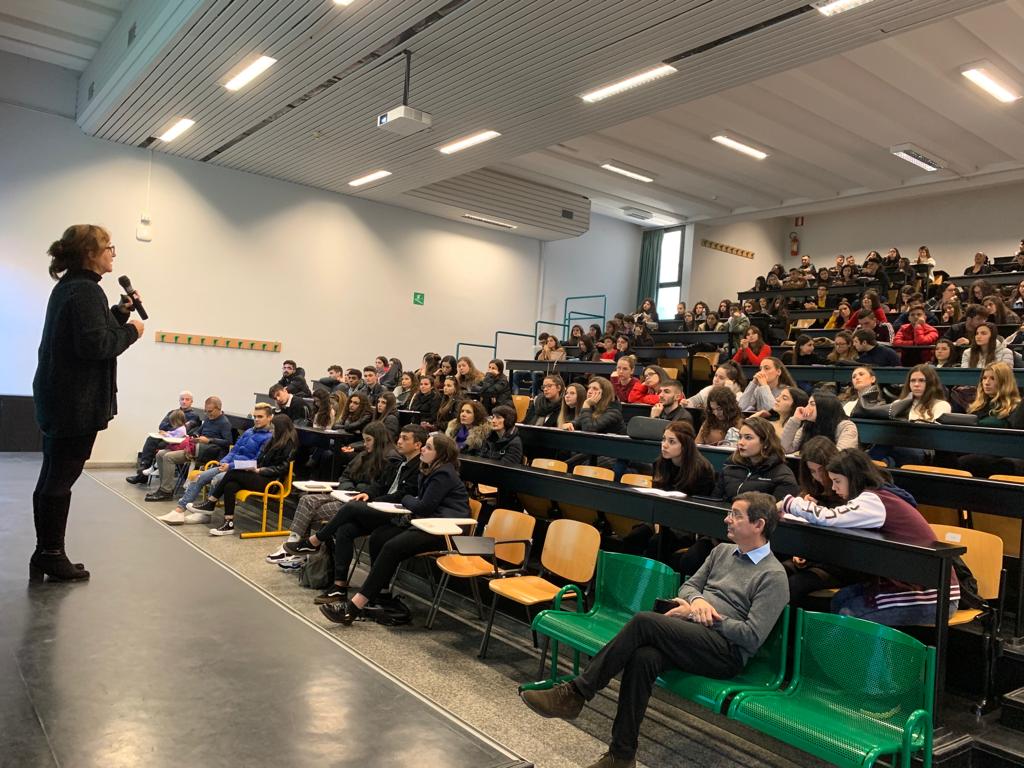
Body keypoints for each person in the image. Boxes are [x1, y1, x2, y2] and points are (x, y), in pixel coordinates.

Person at [520, 491, 788, 768]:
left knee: (644, 622)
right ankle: (621, 756)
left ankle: (577, 692)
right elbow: (688, 587)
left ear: (758, 524)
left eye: (736, 515)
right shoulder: (721, 552)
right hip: (692, 636)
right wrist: (696, 602)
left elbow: (752, 636)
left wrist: (704, 616)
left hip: (725, 652)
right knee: (643, 658)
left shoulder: (773, 576)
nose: (727, 519)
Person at [31, 224, 143, 580]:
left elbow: (89, 331)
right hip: (74, 403)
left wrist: (119, 313)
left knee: (52, 477)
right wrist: (131, 331)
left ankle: (45, 552)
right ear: (90, 253)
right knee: (59, 480)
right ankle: (51, 554)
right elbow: (96, 345)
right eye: (108, 247)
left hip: (60, 398)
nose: (113, 253)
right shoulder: (85, 291)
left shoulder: (72, 287)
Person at [779, 449, 959, 625]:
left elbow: (828, 517)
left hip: (936, 594)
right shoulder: (876, 496)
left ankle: (845, 646)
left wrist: (789, 503)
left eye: (837, 481)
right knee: (840, 599)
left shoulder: (873, 500)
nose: (833, 487)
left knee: (850, 612)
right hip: (908, 583)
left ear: (853, 478)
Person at [319, 432, 471, 625]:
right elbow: (421, 504)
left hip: (447, 531)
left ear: (440, 454)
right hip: (428, 523)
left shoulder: (443, 474)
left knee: (392, 547)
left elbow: (423, 506)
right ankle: (380, 593)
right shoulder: (430, 470)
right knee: (379, 536)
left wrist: (406, 498)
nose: (423, 449)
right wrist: (412, 501)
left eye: (429, 447)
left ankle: (353, 608)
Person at [277, 425, 427, 588]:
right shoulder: (396, 462)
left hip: (391, 512)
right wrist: (367, 493)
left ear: (417, 445)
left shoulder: (405, 463)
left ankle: (313, 542)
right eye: (399, 437)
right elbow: (377, 484)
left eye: (405, 438)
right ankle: (339, 586)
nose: (399, 441)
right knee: (342, 527)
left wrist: (370, 497)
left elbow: (401, 495)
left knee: (348, 508)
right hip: (365, 500)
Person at [159, 404, 274, 526]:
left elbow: (256, 461)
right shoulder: (249, 431)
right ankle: (179, 510)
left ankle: (205, 515)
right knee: (200, 477)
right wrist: (224, 461)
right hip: (229, 465)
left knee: (217, 479)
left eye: (260, 417)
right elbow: (234, 450)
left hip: (242, 471)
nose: (256, 419)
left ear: (269, 417)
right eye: (255, 417)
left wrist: (230, 466)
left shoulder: (269, 438)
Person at [618, 420, 716, 561]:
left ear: (685, 445)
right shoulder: (660, 463)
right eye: (663, 439)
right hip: (660, 520)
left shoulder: (701, 470)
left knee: (657, 543)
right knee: (634, 537)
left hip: (685, 527)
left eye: (672, 442)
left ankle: (652, 575)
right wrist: (658, 522)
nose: (664, 445)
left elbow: (700, 511)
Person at [201, 414, 298, 536]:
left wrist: (260, 470)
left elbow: (282, 469)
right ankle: (228, 523)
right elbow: (260, 459)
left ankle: (211, 502)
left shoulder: (290, 445)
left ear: (281, 428)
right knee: (230, 485)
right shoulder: (273, 440)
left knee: (232, 472)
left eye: (273, 427)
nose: (271, 429)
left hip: (272, 483)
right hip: (260, 477)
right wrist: (251, 466)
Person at [781, 436, 848, 609]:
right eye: (812, 471)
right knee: (777, 574)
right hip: (812, 556)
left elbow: (839, 528)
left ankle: (791, 625)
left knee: (795, 584)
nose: (818, 476)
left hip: (839, 563)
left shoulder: (845, 489)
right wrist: (800, 552)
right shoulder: (810, 491)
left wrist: (817, 509)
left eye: (821, 470)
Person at [144, 396, 232, 502]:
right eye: (206, 411)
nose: (208, 414)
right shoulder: (208, 419)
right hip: (197, 447)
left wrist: (209, 440)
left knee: (168, 457)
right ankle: (163, 488)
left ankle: (166, 491)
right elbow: (198, 431)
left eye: (210, 411)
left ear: (218, 408)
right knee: (160, 454)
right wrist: (195, 436)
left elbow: (228, 442)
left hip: (209, 451)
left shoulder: (224, 423)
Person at [713, 417, 799, 502]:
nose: (740, 442)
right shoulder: (730, 466)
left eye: (748, 438)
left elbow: (776, 509)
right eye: (740, 437)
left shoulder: (782, 475)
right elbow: (714, 502)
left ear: (765, 443)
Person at [125, 391, 204, 484]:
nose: (184, 401)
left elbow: (185, 429)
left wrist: (169, 428)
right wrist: (172, 429)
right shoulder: (172, 412)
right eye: (182, 399)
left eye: (187, 399)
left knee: (157, 446)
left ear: (191, 401)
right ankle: (143, 468)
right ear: (179, 400)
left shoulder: (194, 416)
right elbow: (162, 426)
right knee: (151, 439)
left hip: (179, 441)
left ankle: (146, 473)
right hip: (168, 436)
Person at [780, 392, 859, 453]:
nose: (806, 408)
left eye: (812, 404)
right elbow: (784, 448)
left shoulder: (846, 426)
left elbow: (842, 455)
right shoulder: (807, 425)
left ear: (824, 407)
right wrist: (795, 419)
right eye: (807, 404)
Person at [681, 361, 745, 409]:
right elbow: (692, 402)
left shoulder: (739, 396)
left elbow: (730, 411)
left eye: (721, 378)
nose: (716, 380)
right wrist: (686, 403)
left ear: (731, 382)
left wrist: (728, 392)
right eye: (715, 375)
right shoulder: (708, 390)